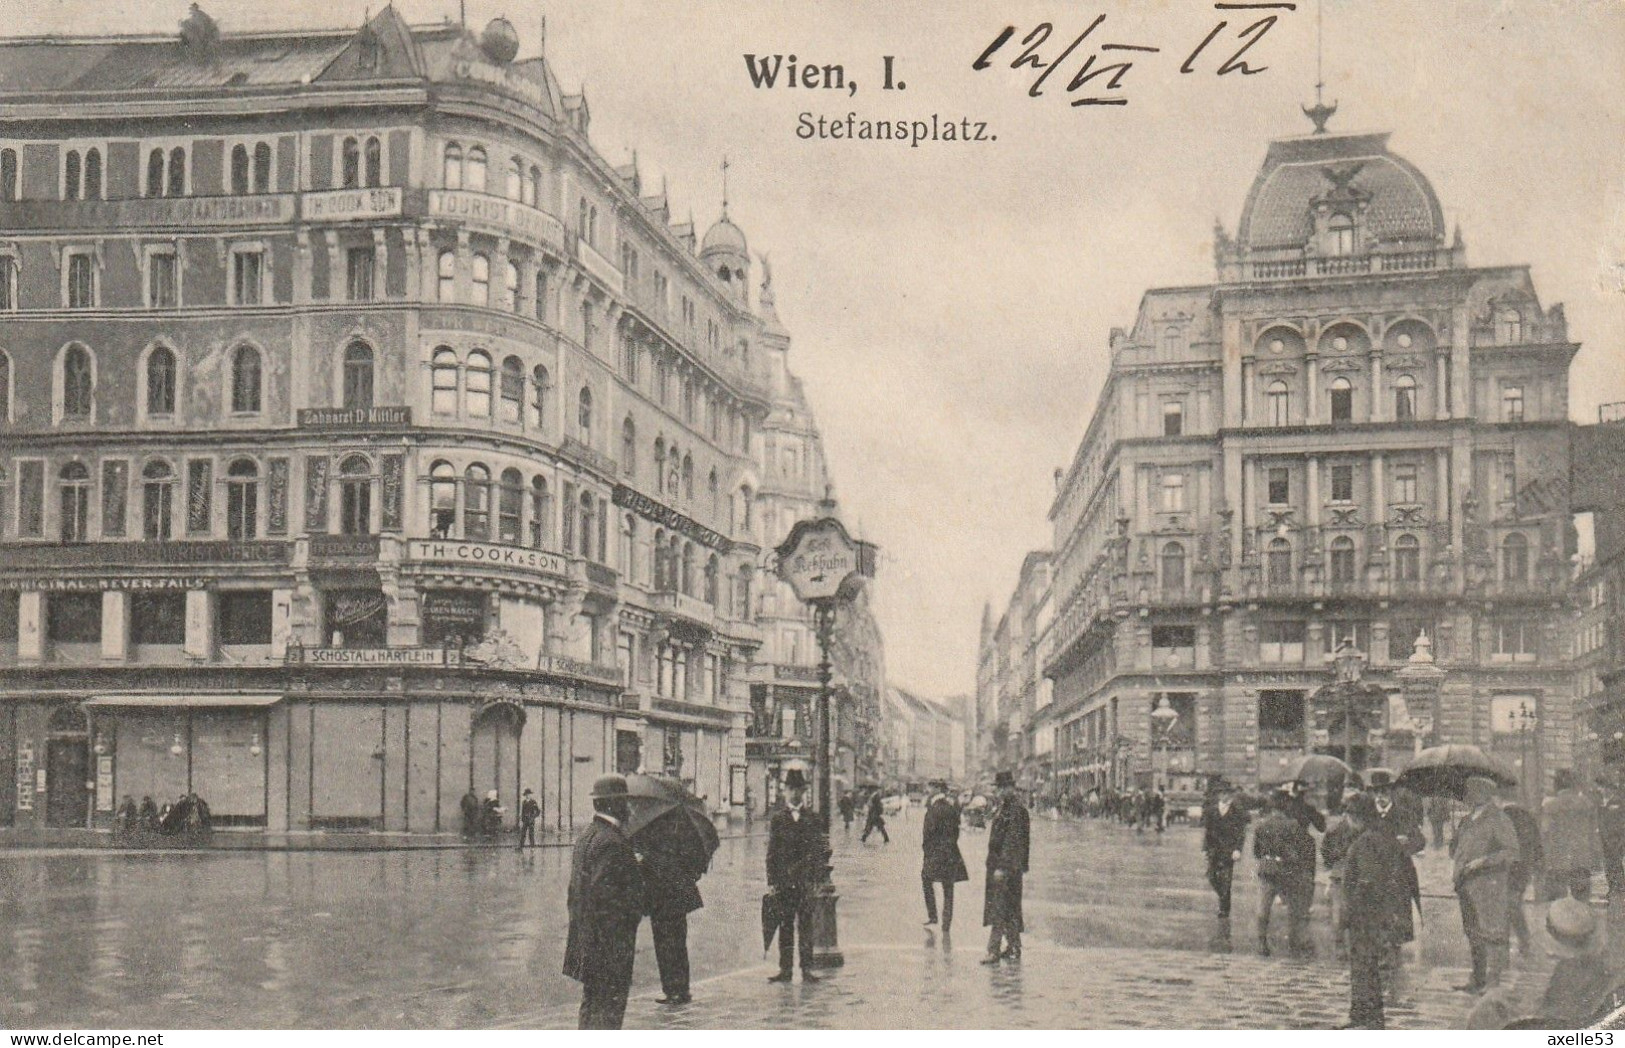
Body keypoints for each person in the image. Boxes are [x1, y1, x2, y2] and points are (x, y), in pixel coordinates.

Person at [563, 774, 644, 1030]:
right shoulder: (615, 844)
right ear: (615, 804)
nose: (629, 808)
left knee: (591, 1005)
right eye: (625, 802)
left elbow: (577, 892)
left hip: (588, 940)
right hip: (610, 945)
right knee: (608, 1011)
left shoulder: (588, 836)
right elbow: (610, 900)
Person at [1339, 794, 1421, 1029]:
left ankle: (1366, 1018)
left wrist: (1352, 909)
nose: (1347, 819)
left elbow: (1367, 880)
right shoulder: (1385, 835)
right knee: (1370, 968)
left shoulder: (1365, 841)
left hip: (1365, 915)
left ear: (1357, 817)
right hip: (1380, 913)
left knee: (1362, 967)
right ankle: (1368, 1018)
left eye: (1350, 815)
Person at [1452, 775, 1519, 993]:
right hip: (1466, 885)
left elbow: (1511, 852)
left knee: (1492, 933)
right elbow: (1457, 850)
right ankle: (1477, 978)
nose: (1466, 796)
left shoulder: (1498, 818)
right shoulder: (1467, 819)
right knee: (1473, 933)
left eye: (1471, 791)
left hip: (1489, 886)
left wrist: (1484, 861)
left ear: (1483, 793)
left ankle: (1492, 983)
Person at [766, 767, 825, 983]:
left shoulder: (813, 818)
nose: (795, 793)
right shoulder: (778, 819)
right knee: (785, 926)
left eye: (798, 789)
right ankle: (786, 970)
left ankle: (807, 968)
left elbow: (819, 851)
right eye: (791, 789)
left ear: (804, 791)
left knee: (806, 926)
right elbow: (771, 852)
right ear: (785, 791)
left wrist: (817, 879)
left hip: (805, 881)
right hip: (784, 882)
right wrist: (772, 881)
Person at [642, 817, 704, 1006]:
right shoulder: (676, 825)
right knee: (669, 941)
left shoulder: (673, 828)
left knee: (670, 942)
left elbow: (693, 860)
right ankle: (675, 989)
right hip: (666, 893)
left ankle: (676, 990)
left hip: (668, 893)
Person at [1253, 789, 1317, 956]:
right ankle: (1295, 942)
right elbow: (1299, 850)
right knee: (1294, 907)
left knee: (1263, 907)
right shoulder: (1293, 825)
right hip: (1286, 870)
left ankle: (1261, 942)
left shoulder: (1261, 825)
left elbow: (1256, 851)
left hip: (1266, 869)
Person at [981, 770, 1030, 965]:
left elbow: (1013, 842)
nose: (999, 792)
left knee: (999, 909)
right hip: (1005, 867)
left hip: (1006, 869)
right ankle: (1013, 947)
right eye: (998, 788)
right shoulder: (1007, 808)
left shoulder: (1015, 810)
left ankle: (993, 950)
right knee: (1009, 908)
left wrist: (1002, 867)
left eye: (1002, 788)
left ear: (1010, 788)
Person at [1543, 769, 1602, 901]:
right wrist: (1595, 856)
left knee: (1556, 906)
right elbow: (1594, 833)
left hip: (1557, 860)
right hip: (1581, 859)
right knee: (1582, 902)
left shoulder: (1550, 806)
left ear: (1557, 784)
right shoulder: (1587, 805)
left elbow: (1545, 834)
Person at [921, 779, 969, 931]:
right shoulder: (951, 808)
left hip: (935, 853)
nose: (928, 790)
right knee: (948, 889)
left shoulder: (933, 809)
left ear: (936, 789)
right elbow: (956, 831)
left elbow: (928, 834)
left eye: (930, 787)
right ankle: (946, 924)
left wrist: (927, 852)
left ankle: (933, 916)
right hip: (950, 853)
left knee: (926, 879)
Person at [1500, 790, 1542, 953]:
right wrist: (1537, 865)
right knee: (1513, 903)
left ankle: (1515, 939)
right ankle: (1522, 939)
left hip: (1506, 867)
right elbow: (1537, 843)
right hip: (1523, 867)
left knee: (1508, 904)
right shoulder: (1528, 816)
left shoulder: (1502, 816)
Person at [1202, 779, 1249, 919]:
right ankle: (1223, 898)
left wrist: (1238, 849)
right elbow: (1208, 831)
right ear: (1218, 795)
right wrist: (1205, 848)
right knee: (1211, 876)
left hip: (1229, 851)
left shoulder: (1237, 810)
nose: (1225, 796)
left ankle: (1224, 908)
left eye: (1227, 793)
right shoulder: (1211, 810)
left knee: (1226, 880)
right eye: (1222, 793)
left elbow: (1241, 832)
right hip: (1214, 850)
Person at [1366, 769, 1425, 855]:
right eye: (1376, 791)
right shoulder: (1367, 815)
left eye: (1383, 791)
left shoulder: (1404, 814)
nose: (1380, 795)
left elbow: (1420, 841)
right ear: (1372, 793)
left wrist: (1407, 842)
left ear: (1391, 791)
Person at [1598, 776, 1625, 896]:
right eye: (1604, 788)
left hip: (1615, 838)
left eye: (1608, 788)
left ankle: (1618, 888)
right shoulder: (1604, 801)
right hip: (1606, 837)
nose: (1605, 790)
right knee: (1609, 864)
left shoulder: (1618, 801)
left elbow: (1620, 821)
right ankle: (1614, 888)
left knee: (1615, 862)